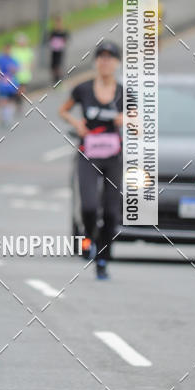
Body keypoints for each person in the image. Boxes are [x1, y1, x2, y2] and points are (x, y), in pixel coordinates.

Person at [58, 41, 123, 279]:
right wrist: (78, 124)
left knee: (111, 213)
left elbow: (138, 123)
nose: (105, 61)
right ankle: (88, 237)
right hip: (88, 155)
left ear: (117, 63)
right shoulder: (83, 89)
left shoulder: (124, 93)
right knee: (88, 207)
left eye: (110, 57)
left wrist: (124, 120)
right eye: (101, 57)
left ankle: (103, 258)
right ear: (96, 61)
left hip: (113, 158)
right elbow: (63, 110)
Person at [0, 42, 20, 127]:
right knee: (3, 100)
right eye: (6, 49)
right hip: (2, 84)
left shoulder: (13, 59)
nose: (8, 51)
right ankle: (3, 115)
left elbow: (16, 69)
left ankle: (8, 117)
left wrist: (13, 70)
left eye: (9, 49)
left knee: (11, 100)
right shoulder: (0, 59)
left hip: (12, 83)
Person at [10, 33, 34, 109]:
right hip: (16, 74)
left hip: (25, 74)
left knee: (22, 89)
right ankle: (18, 101)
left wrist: (29, 68)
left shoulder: (28, 51)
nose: (22, 43)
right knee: (17, 89)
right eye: (20, 41)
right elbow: (11, 61)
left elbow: (31, 62)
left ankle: (19, 101)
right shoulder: (14, 51)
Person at [47, 15, 69, 84]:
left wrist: (62, 41)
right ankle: (55, 79)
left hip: (60, 51)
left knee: (58, 65)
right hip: (54, 51)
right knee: (53, 65)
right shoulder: (53, 31)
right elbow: (49, 39)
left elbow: (66, 39)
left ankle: (59, 80)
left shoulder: (63, 31)